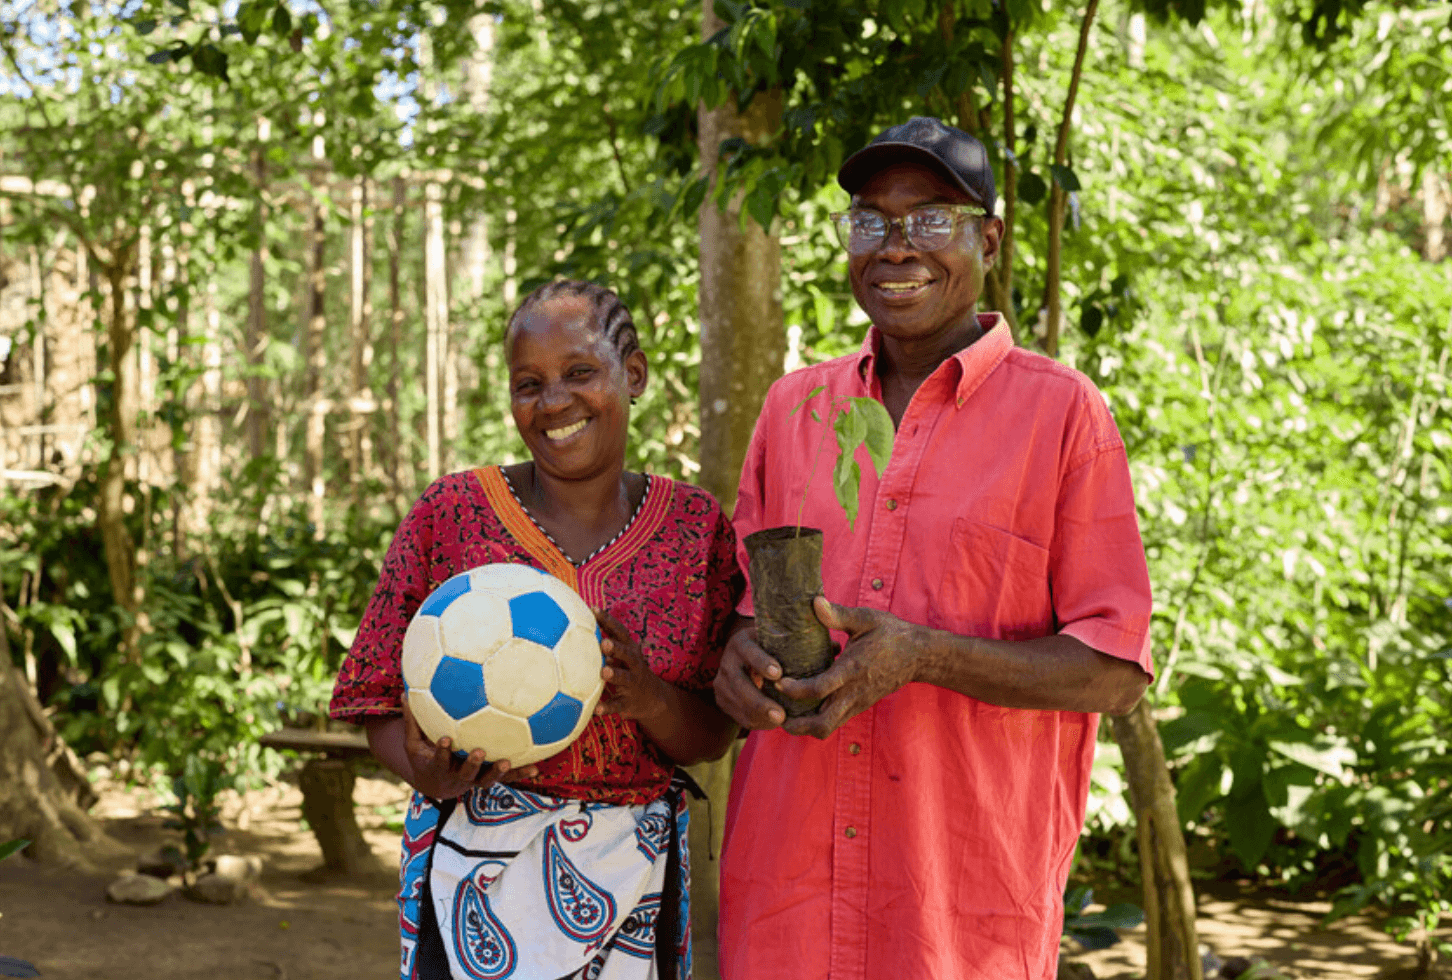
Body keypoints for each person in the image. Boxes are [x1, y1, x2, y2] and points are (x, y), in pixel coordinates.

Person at [712, 117, 1155, 980]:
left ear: (989, 238)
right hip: (785, 905)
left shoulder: (1065, 418)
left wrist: (923, 657)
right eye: (871, 221)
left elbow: (1114, 670)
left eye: (930, 220)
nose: (895, 247)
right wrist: (733, 664)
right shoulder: (794, 410)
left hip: (959, 917)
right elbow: (740, 620)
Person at [330, 280, 741, 980]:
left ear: (632, 373)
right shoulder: (452, 513)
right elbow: (370, 700)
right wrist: (427, 770)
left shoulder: (695, 528)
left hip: (634, 875)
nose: (553, 402)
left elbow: (715, 734)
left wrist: (650, 700)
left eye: (580, 373)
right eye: (529, 383)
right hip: (473, 869)